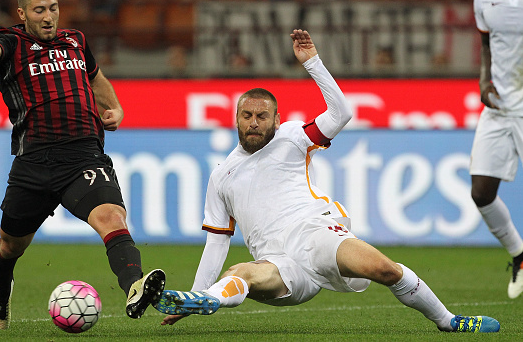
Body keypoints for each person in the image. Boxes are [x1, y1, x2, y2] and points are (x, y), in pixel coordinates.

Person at [153, 29, 500, 333]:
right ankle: (200, 301)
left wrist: (312, 63)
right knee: (242, 272)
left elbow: (342, 114)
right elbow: (217, 242)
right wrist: (197, 292)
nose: (254, 122)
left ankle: (448, 320)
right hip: (278, 263)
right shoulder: (221, 175)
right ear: (236, 119)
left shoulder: (292, 138)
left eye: (262, 116)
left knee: (384, 269)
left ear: (276, 120)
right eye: (247, 115)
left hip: (316, 236)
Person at [0, 0, 165, 330]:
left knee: (112, 218)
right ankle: (0, 294)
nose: (48, 16)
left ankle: (134, 286)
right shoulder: (9, 42)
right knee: (10, 246)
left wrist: (116, 108)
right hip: (35, 162)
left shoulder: (75, 40)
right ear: (22, 13)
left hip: (84, 157)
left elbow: (95, 76)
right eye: (39, 10)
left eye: (54, 8)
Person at [471, 0, 523, 299]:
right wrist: (483, 80)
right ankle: (520, 256)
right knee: (481, 192)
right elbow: (487, 45)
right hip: (501, 103)